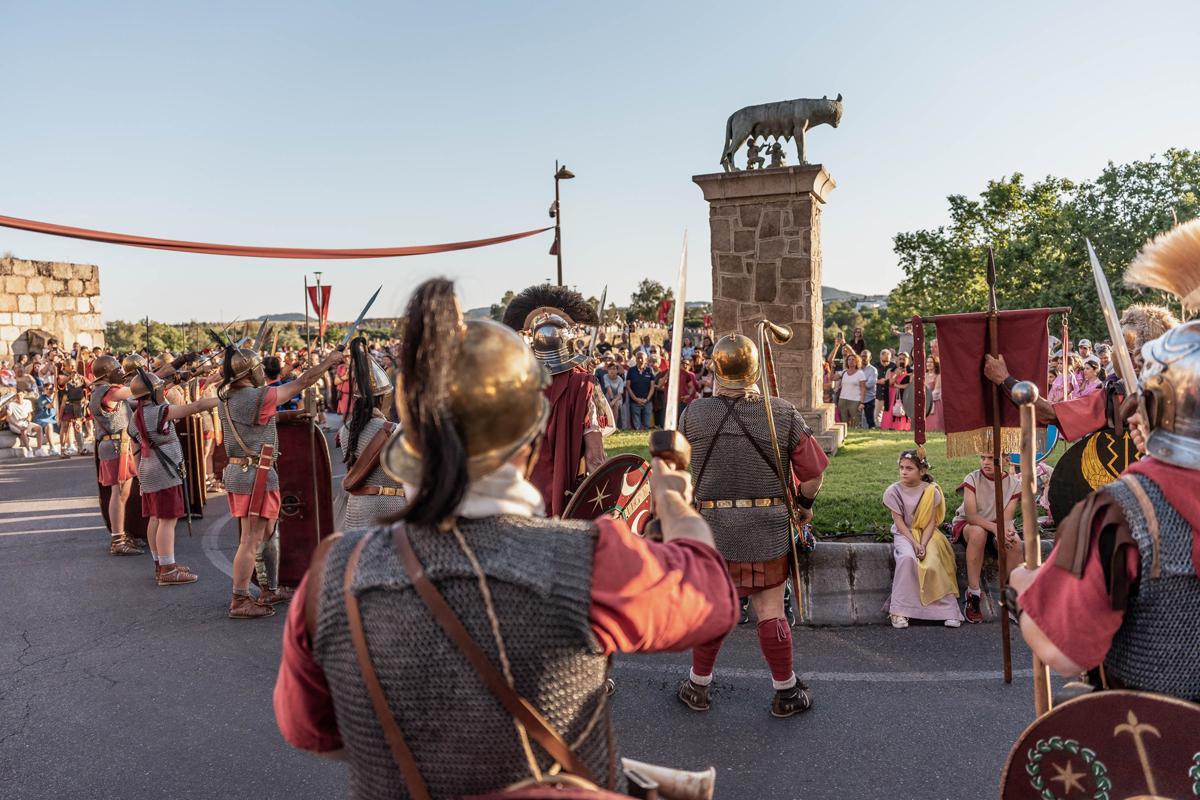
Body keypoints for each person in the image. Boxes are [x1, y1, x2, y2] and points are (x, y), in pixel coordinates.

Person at [273, 279, 738, 796]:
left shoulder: (332, 575)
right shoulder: (586, 559)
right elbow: (711, 597)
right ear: (530, 439)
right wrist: (674, 501)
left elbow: (312, 732)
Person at [1009, 320, 1200, 700]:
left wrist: (1025, 592)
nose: (1132, 415)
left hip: (1157, 728)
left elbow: (1063, 652)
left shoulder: (1124, 510)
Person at [676, 333, 829, 717]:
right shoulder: (782, 413)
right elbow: (813, 474)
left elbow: (673, 473)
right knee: (771, 610)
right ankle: (786, 691)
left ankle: (698, 687)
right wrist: (804, 506)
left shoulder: (693, 415)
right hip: (767, 526)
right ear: (755, 370)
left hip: (711, 529)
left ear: (715, 370)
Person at [217, 341, 342, 619]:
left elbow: (257, 423)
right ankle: (240, 599)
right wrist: (328, 362)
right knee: (250, 540)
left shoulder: (229, 397)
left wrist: (292, 415)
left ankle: (269, 589)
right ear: (250, 372)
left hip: (247, 472)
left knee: (265, 533)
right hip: (255, 474)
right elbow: (301, 383)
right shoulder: (253, 397)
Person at [985, 304, 1178, 443]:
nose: (1130, 360)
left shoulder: (1120, 395)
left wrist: (1005, 379)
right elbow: (1052, 414)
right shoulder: (1184, 390)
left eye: (1133, 353)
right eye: (1126, 353)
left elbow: (1049, 414)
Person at [502, 285, 605, 516]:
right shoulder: (583, 385)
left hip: (522, 493)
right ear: (567, 344)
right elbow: (595, 456)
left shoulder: (517, 384)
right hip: (566, 496)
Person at [127, 368, 218, 585]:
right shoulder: (160, 412)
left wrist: (141, 476)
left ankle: (161, 563)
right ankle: (168, 570)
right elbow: (195, 407)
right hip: (163, 472)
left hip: (148, 470)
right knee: (167, 520)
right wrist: (223, 399)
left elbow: (135, 450)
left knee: (155, 518)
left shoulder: (136, 416)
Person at [882, 450, 963, 629]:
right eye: (901, 468)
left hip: (928, 534)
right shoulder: (893, 491)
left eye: (909, 468)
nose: (904, 472)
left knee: (932, 562)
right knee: (907, 559)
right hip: (905, 534)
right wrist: (915, 543)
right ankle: (899, 611)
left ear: (922, 471)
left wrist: (923, 544)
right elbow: (899, 523)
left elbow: (931, 523)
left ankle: (947, 611)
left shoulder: (931, 491)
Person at [337, 337, 405, 530]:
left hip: (357, 506)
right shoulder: (392, 430)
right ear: (383, 398)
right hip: (389, 506)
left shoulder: (345, 430)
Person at [950, 453, 1021, 624]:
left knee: (1016, 544)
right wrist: (996, 529)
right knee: (978, 533)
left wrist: (1007, 532)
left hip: (997, 525)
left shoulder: (1014, 484)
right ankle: (973, 593)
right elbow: (971, 516)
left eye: (991, 458)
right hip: (970, 525)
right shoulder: (973, 479)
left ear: (1006, 460)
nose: (985, 462)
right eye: (983, 458)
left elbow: (1007, 519)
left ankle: (1012, 597)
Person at [880, 351, 913, 431]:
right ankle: (889, 426)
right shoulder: (890, 370)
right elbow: (888, 383)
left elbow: (910, 385)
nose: (901, 361)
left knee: (902, 411)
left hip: (904, 395)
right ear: (896, 360)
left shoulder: (911, 372)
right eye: (900, 359)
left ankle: (902, 427)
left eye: (904, 359)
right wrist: (896, 375)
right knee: (890, 410)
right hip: (891, 395)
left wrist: (897, 386)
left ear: (908, 360)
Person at [625, 350, 655, 431]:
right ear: (635, 359)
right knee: (637, 426)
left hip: (647, 401)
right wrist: (636, 399)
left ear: (645, 359)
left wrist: (647, 399)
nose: (640, 360)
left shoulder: (649, 370)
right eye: (638, 358)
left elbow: (652, 387)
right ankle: (637, 434)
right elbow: (628, 386)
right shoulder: (631, 370)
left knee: (647, 425)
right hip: (634, 401)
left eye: (642, 358)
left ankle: (645, 434)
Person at [835, 353, 867, 429]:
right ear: (847, 361)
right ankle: (845, 434)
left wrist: (862, 403)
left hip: (855, 400)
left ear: (857, 362)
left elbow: (863, 388)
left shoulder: (860, 373)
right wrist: (833, 368)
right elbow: (832, 378)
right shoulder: (844, 372)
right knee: (843, 421)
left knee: (855, 421)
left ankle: (855, 433)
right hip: (843, 399)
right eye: (849, 359)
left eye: (853, 359)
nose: (851, 361)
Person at [32, 382, 59, 456]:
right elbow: (50, 406)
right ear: (44, 390)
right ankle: (52, 448)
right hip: (41, 420)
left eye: (51, 389)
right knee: (49, 425)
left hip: (53, 420)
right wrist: (55, 395)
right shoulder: (42, 398)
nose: (49, 390)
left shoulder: (55, 397)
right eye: (47, 389)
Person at [859, 349, 878, 429]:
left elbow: (870, 384)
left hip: (869, 398)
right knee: (857, 421)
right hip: (857, 398)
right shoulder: (857, 369)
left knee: (870, 420)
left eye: (865, 356)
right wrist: (864, 382)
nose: (863, 358)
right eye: (862, 356)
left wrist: (860, 383)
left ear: (870, 358)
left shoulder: (873, 370)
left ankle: (872, 432)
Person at [925, 355, 944, 432]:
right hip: (925, 403)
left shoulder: (938, 376)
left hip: (934, 403)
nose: (928, 364)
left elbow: (936, 392)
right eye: (927, 362)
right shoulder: (924, 375)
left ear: (935, 364)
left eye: (931, 362)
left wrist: (926, 397)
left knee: (935, 425)